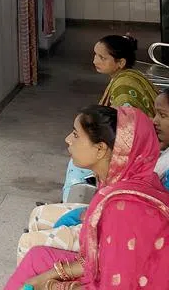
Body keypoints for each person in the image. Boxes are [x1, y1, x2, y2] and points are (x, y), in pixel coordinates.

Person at [5, 105, 169, 290]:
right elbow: (102, 260)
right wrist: (49, 275)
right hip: (139, 277)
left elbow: (115, 284)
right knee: (37, 259)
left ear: (100, 150)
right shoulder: (130, 182)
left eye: (76, 135)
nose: (68, 139)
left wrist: (53, 285)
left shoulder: (123, 210)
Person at [17, 87, 169, 259]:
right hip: (127, 222)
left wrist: (85, 219)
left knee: (30, 244)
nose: (154, 121)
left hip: (141, 251)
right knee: (40, 216)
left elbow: (149, 228)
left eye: (162, 115)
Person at [61, 35, 158, 200]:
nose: (94, 61)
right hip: (148, 140)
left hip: (137, 149)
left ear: (120, 63)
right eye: (95, 55)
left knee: (77, 166)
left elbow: (124, 129)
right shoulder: (131, 76)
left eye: (102, 57)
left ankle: (71, 205)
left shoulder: (123, 87)